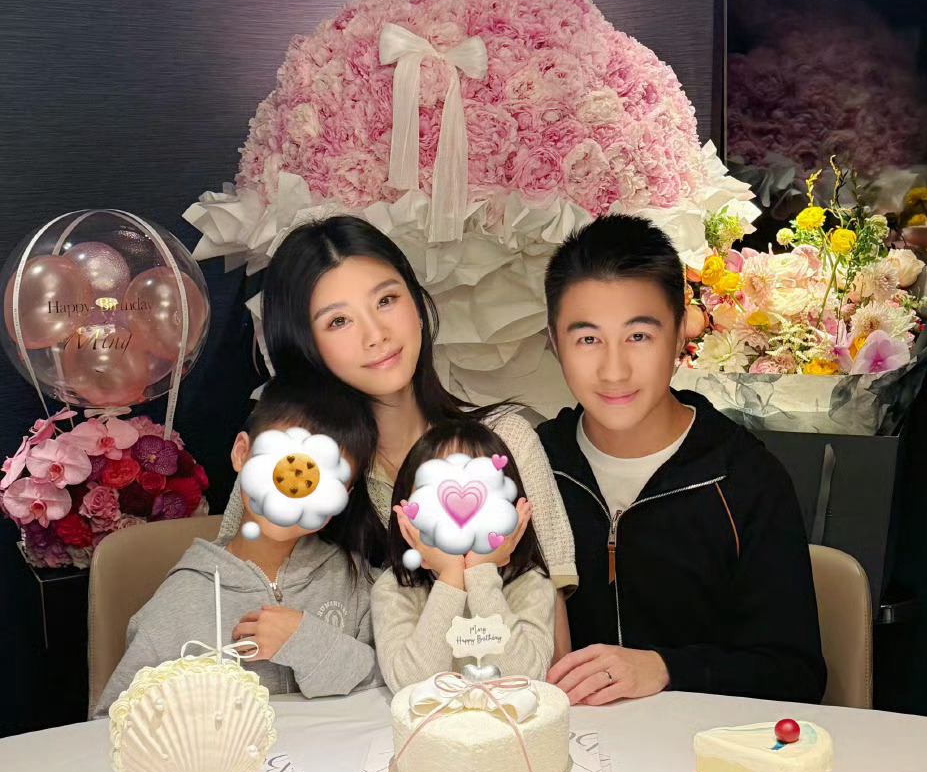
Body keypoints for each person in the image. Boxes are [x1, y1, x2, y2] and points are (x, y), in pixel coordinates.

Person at [219, 218, 576, 620]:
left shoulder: (505, 439)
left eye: (386, 300)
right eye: (338, 321)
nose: (376, 335)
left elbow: (551, 624)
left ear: (417, 305)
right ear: (306, 347)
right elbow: (226, 599)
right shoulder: (285, 461)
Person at [535, 214, 826, 706]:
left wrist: (667, 668)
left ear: (680, 334)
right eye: (588, 339)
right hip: (567, 743)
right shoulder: (533, 467)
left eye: (639, 336)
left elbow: (795, 675)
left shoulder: (745, 479)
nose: (613, 370)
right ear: (554, 342)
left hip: (702, 745)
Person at [93, 378, 380, 716]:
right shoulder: (182, 599)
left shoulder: (357, 582)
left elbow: (392, 688)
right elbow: (113, 720)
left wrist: (305, 642)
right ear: (242, 453)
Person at [371, 419, 558, 693]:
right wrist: (451, 577)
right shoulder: (395, 588)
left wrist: (480, 573)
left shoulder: (529, 584)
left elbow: (524, 680)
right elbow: (410, 686)